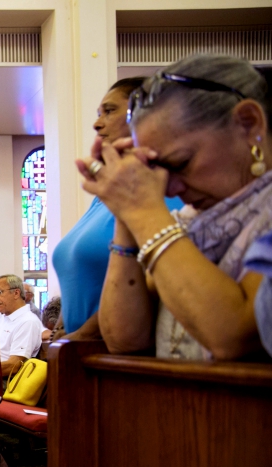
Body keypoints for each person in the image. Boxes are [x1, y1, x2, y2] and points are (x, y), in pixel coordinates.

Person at [86, 54, 272, 361]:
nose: (169, 189)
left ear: (249, 124)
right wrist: (124, 217)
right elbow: (125, 339)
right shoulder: (191, 220)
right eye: (158, 168)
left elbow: (233, 335)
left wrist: (143, 212)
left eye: (181, 162)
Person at [52, 78, 183, 340]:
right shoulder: (102, 198)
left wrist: (81, 337)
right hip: (78, 350)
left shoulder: (164, 190)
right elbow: (78, 272)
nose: (97, 123)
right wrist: (62, 329)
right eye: (98, 113)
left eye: (109, 111)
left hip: (117, 346)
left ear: (147, 114)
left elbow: (152, 284)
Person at [0, 274, 44, 377]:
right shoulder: (4, 318)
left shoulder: (27, 321)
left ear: (16, 293)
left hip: (6, 381)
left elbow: (14, 366)